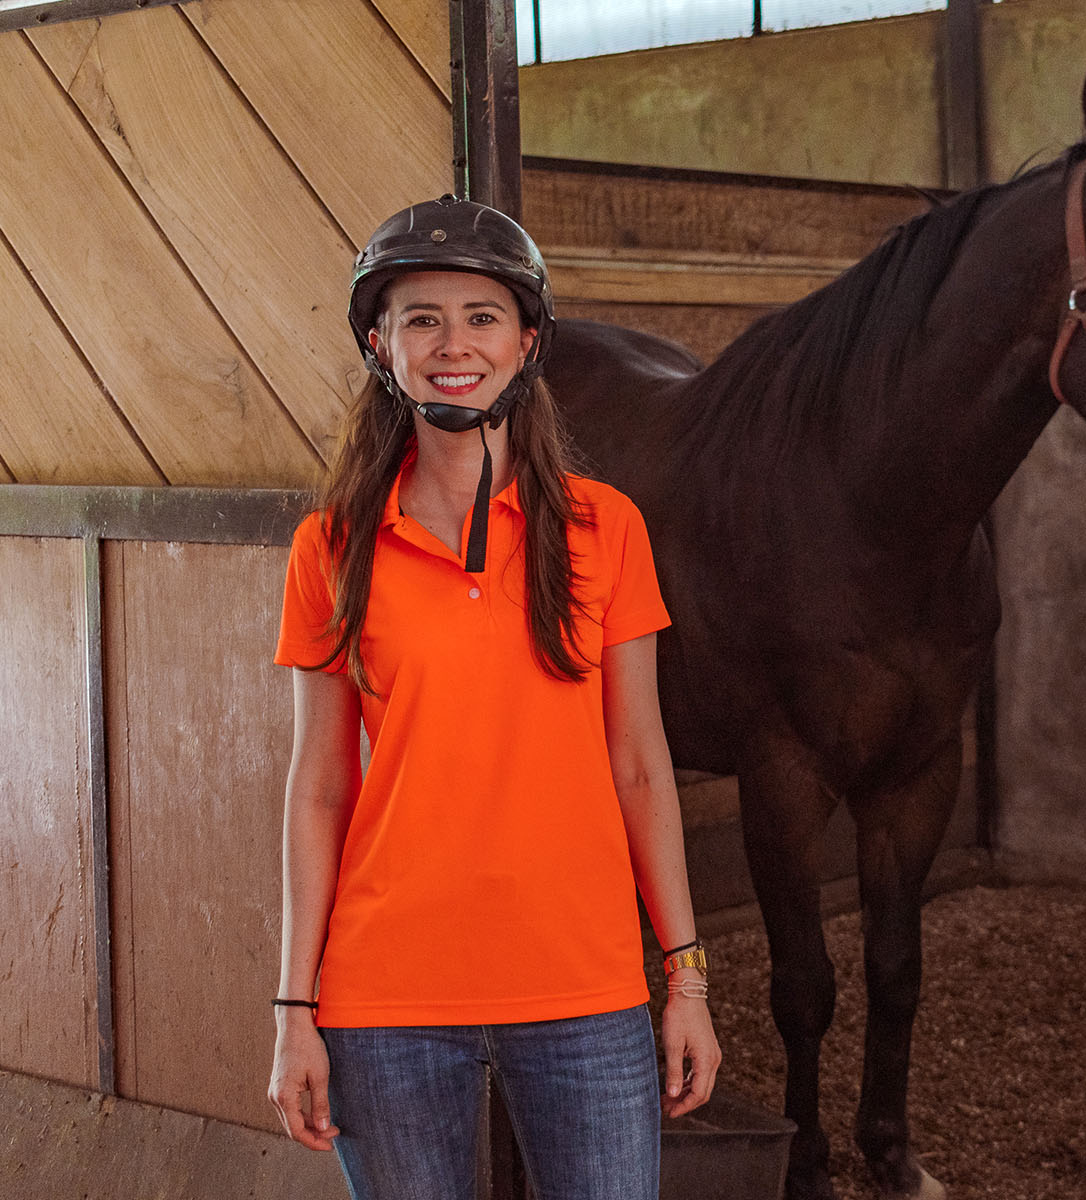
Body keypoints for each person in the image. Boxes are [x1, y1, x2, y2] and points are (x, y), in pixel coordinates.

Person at [265, 195, 719, 1200]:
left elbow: (641, 764)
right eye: (420, 317)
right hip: (385, 1002)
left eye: (480, 315)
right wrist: (294, 1007)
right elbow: (318, 791)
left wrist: (684, 980)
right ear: (380, 345)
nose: (452, 343)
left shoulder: (608, 531)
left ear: (527, 341)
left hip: (586, 994)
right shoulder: (331, 548)